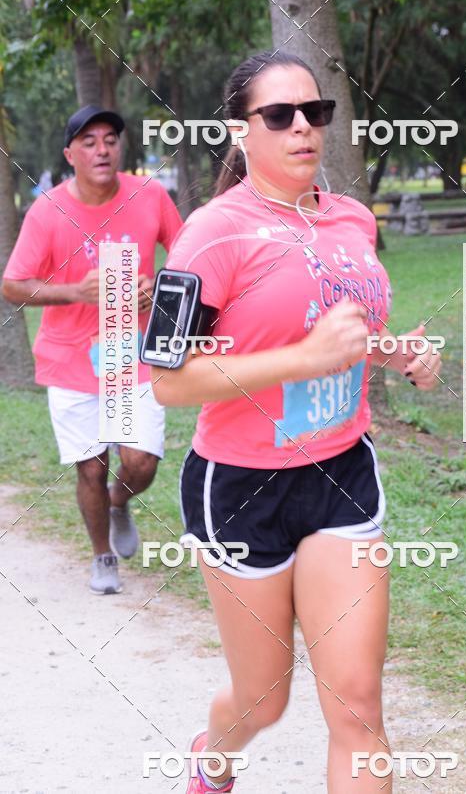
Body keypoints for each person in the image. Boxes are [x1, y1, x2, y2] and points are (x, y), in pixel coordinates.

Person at [152, 51, 441, 793]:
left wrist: (393, 352)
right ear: (239, 131)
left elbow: (339, 327)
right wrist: (303, 359)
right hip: (240, 488)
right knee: (263, 698)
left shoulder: (351, 218)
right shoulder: (210, 234)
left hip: (341, 474)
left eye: (316, 111)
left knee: (358, 704)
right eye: (279, 115)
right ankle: (212, 757)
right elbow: (167, 380)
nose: (303, 127)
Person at [2, 104, 183, 595]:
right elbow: (13, 285)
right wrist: (74, 292)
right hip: (71, 358)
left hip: (131, 354)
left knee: (142, 460)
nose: (101, 150)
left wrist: (160, 286)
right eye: (88, 142)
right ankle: (102, 555)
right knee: (90, 465)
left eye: (109, 140)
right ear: (70, 155)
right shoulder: (48, 210)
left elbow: (189, 251)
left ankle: (118, 501)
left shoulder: (149, 195)